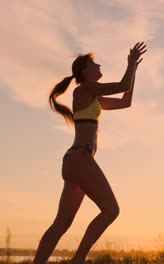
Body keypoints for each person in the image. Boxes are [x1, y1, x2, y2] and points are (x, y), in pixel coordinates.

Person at [33, 42, 147, 264]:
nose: (99, 65)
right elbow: (123, 85)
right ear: (85, 71)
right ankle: (78, 260)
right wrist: (131, 64)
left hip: (74, 161)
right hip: (80, 158)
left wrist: (134, 72)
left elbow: (126, 101)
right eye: (95, 63)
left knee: (62, 223)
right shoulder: (85, 89)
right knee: (111, 210)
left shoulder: (94, 96)